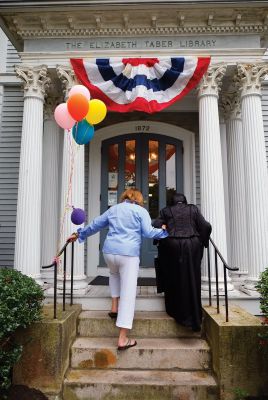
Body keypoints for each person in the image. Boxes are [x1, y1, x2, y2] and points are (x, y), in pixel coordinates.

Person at [68, 188, 168, 350]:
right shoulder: (140, 211)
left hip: (109, 252)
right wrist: (164, 231)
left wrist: (79, 235)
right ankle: (123, 338)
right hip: (128, 254)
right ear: (139, 199)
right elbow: (149, 232)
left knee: (113, 274)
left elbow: (95, 225)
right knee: (128, 293)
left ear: (124, 197)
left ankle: (114, 307)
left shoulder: (113, 209)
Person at [153, 193, 211, 332]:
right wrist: (203, 241)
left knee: (174, 276)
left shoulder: (166, 210)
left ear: (172, 201)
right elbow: (206, 226)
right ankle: (193, 316)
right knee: (192, 275)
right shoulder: (193, 209)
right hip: (193, 245)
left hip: (172, 245)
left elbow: (155, 224)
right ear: (185, 201)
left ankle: (177, 311)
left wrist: (163, 228)